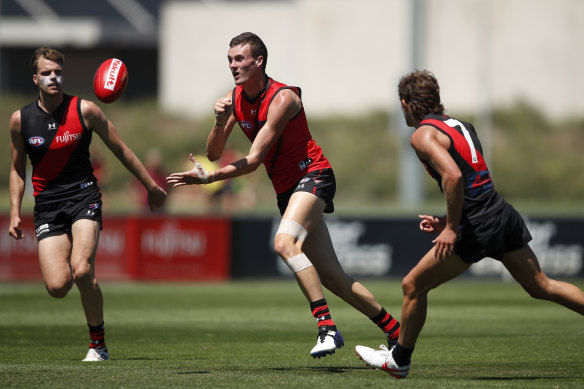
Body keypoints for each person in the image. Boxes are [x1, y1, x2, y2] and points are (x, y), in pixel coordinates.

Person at [166, 32, 400, 358]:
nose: (233, 65)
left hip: (314, 175)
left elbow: (254, 159)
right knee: (332, 276)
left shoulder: (283, 99)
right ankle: (397, 333)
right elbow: (214, 151)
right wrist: (219, 123)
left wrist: (211, 178)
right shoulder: (235, 98)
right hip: (288, 190)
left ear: (258, 61)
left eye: (240, 59)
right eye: (230, 59)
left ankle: (327, 328)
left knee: (283, 243)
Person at [355, 70, 584, 378]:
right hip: (500, 212)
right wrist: (448, 220)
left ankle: (400, 359)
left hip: (479, 224)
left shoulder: (422, 135)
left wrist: (452, 228)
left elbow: (454, 176)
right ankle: (399, 357)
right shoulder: (461, 125)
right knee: (541, 285)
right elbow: (474, 180)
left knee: (413, 285)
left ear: (405, 103)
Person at [8, 47, 167, 362]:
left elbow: (121, 149)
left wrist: (151, 185)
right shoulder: (21, 120)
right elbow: (16, 169)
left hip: (84, 197)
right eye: (46, 73)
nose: (54, 77)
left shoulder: (85, 110)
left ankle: (98, 344)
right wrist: (15, 211)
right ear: (35, 78)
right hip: (48, 206)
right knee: (57, 286)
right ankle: (73, 277)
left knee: (82, 269)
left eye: (58, 72)